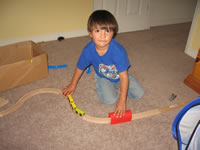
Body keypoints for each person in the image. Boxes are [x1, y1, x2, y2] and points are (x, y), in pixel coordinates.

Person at [62, 10, 145, 117]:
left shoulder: (118, 51)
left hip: (120, 76)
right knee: (109, 100)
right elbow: (80, 67)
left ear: (113, 33)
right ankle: (100, 80)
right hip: (103, 76)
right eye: (97, 31)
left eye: (108, 31)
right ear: (90, 33)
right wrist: (72, 85)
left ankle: (120, 83)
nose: (103, 36)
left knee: (139, 94)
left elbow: (123, 77)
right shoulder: (87, 50)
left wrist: (122, 100)